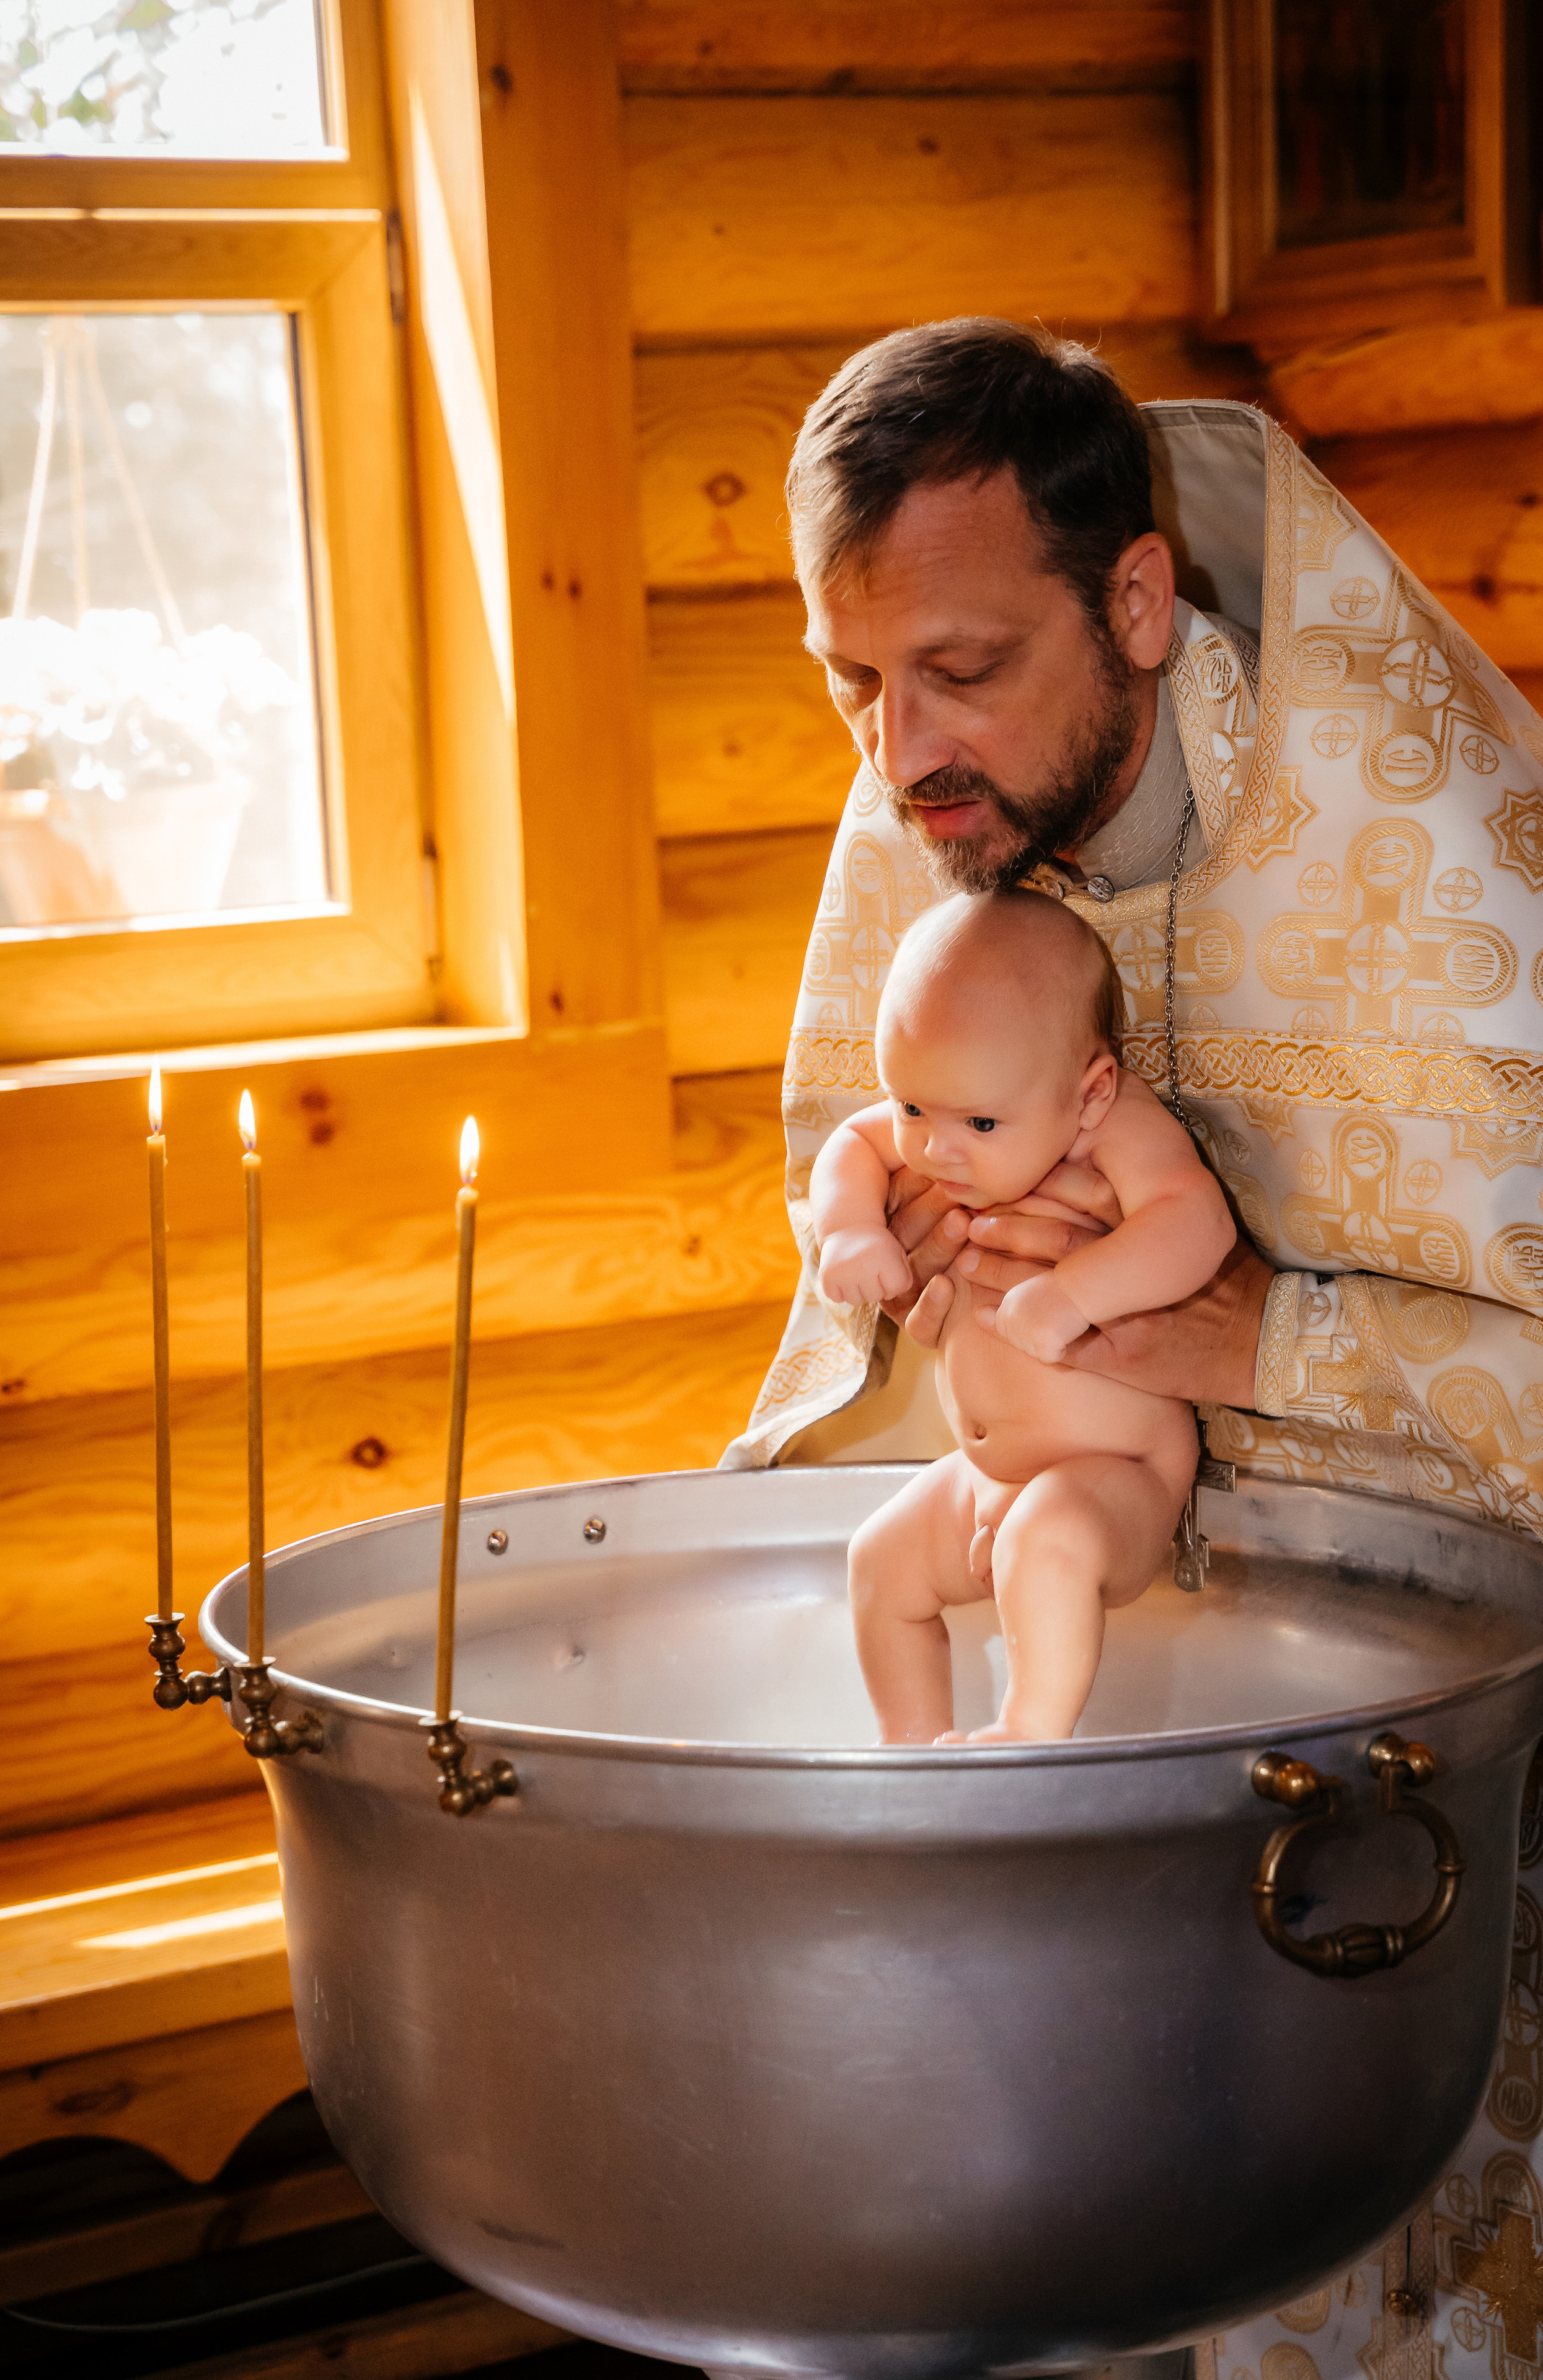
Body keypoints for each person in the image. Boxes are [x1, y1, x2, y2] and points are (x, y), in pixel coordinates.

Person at [720, 317, 1543, 2377]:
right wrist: (884, 1246)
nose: (898, 751)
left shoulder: (1456, 875)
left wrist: (1274, 1340)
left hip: (1459, 1772)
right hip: (1095, 1701)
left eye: (964, 671)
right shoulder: (939, 801)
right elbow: (855, 1166)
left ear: (1144, 602)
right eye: (851, 680)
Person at [811, 888, 1230, 1742]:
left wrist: (1077, 1293)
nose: (932, 1148)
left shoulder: (1110, 1130)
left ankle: (1029, 1735)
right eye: (911, 1106)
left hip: (1116, 1474)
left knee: (1045, 1541)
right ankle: (911, 1751)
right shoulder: (950, 1111)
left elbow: (1197, 1221)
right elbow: (851, 1144)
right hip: (985, 1478)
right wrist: (850, 1230)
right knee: (879, 1564)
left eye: (981, 1121)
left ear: (1089, 1093)